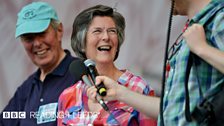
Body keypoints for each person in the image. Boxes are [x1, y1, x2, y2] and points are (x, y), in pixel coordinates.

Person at [88, 0, 224, 125]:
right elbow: (171, 110)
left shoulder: (219, 19)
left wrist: (202, 48)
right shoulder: (197, 27)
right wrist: (119, 92)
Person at [57, 4, 157, 126]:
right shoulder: (67, 96)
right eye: (97, 31)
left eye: (112, 31)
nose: (106, 37)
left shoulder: (138, 88)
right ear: (82, 44)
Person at [0, 2, 79, 126]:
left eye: (42, 33)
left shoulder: (81, 74)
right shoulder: (27, 88)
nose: (36, 43)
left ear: (59, 31)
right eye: (28, 38)